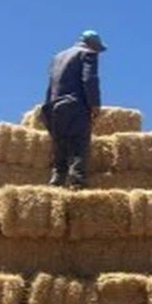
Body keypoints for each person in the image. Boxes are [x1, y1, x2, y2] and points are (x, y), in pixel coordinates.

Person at [42, 30, 106, 188]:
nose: (97, 51)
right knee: (79, 144)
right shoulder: (88, 54)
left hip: (53, 106)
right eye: (97, 48)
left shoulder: (57, 57)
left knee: (59, 146)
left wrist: (47, 110)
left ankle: (56, 182)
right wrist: (95, 105)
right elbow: (89, 79)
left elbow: (50, 86)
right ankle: (78, 184)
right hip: (75, 105)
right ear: (92, 44)